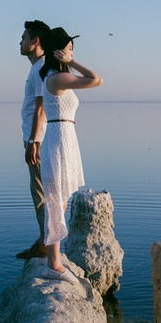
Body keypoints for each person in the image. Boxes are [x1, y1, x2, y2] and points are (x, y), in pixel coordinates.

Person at [38, 27, 103, 283]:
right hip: (57, 139)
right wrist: (72, 62)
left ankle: (53, 260)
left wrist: (69, 62)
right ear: (58, 52)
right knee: (56, 200)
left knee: (61, 200)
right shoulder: (55, 78)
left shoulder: (59, 76)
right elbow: (96, 79)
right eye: (67, 49)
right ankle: (52, 264)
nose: (71, 52)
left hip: (65, 136)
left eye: (72, 49)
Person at [16, 19, 51, 260]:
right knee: (41, 191)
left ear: (35, 41)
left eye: (24, 38)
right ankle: (45, 239)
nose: (20, 42)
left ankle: (45, 243)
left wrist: (33, 142)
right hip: (37, 138)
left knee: (41, 192)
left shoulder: (41, 67)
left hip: (38, 139)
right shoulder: (38, 67)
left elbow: (41, 108)